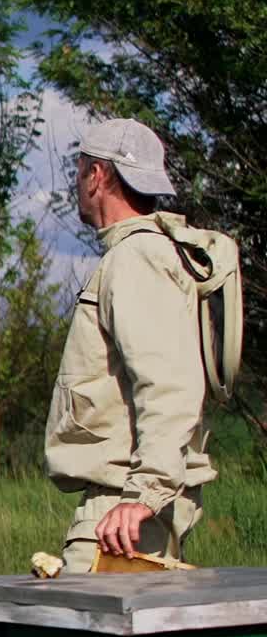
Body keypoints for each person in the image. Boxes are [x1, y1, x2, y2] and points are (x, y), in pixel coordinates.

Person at [45, 118, 215, 571]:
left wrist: (143, 495)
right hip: (128, 506)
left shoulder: (137, 257)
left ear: (98, 175)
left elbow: (170, 384)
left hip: (124, 512)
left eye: (80, 172)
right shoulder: (146, 253)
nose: (78, 184)